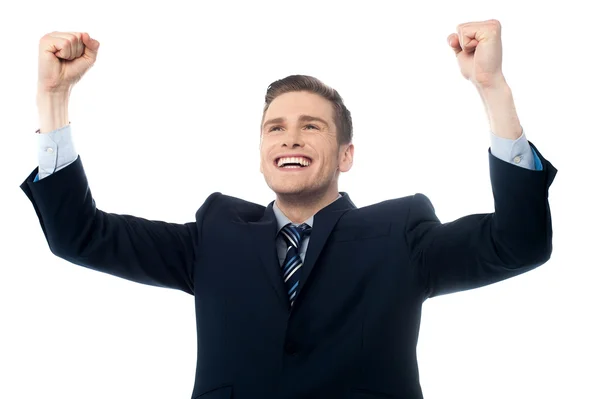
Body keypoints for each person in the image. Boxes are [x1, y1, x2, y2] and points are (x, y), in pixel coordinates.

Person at [21, 20, 557, 399]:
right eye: (275, 128)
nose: (290, 138)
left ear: (347, 155)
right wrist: (54, 98)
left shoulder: (401, 233)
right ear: (261, 156)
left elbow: (519, 242)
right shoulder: (213, 235)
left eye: (311, 126)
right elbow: (79, 236)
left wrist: (491, 87)